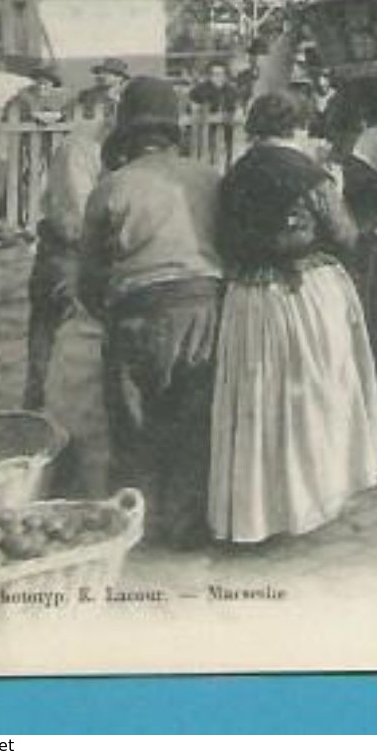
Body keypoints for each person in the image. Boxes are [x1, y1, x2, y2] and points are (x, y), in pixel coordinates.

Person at [207, 91, 377, 543]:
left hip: (249, 299)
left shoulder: (233, 176)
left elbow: (225, 239)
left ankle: (262, 511)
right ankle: (313, 499)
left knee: (260, 401)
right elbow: (344, 236)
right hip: (302, 296)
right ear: (299, 129)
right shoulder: (310, 176)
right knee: (314, 393)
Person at [77, 77, 223, 548]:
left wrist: (111, 316)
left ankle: (138, 528)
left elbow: (89, 276)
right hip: (205, 307)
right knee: (195, 421)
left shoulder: (111, 188)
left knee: (135, 425)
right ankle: (188, 526)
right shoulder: (208, 175)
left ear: (127, 137)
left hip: (138, 312)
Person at [24, 114, 108, 411]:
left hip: (88, 256)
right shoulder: (80, 149)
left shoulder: (109, 150)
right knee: (54, 354)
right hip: (66, 257)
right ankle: (37, 431)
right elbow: (75, 222)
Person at [234, 39, 269, 104]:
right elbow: (240, 99)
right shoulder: (242, 75)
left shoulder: (271, 77)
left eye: (260, 55)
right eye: (253, 54)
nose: (254, 57)